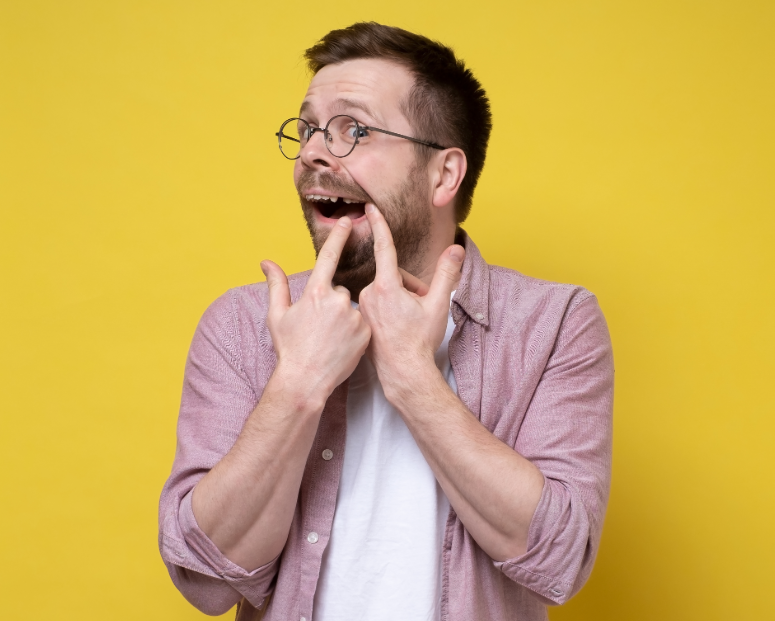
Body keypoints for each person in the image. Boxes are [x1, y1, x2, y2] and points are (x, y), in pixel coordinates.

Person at [158, 22, 614, 621]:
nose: (314, 153)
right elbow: (205, 580)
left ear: (443, 175)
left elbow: (559, 561)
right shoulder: (243, 325)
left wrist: (413, 376)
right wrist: (297, 384)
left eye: (355, 129)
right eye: (309, 129)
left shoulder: (552, 323)